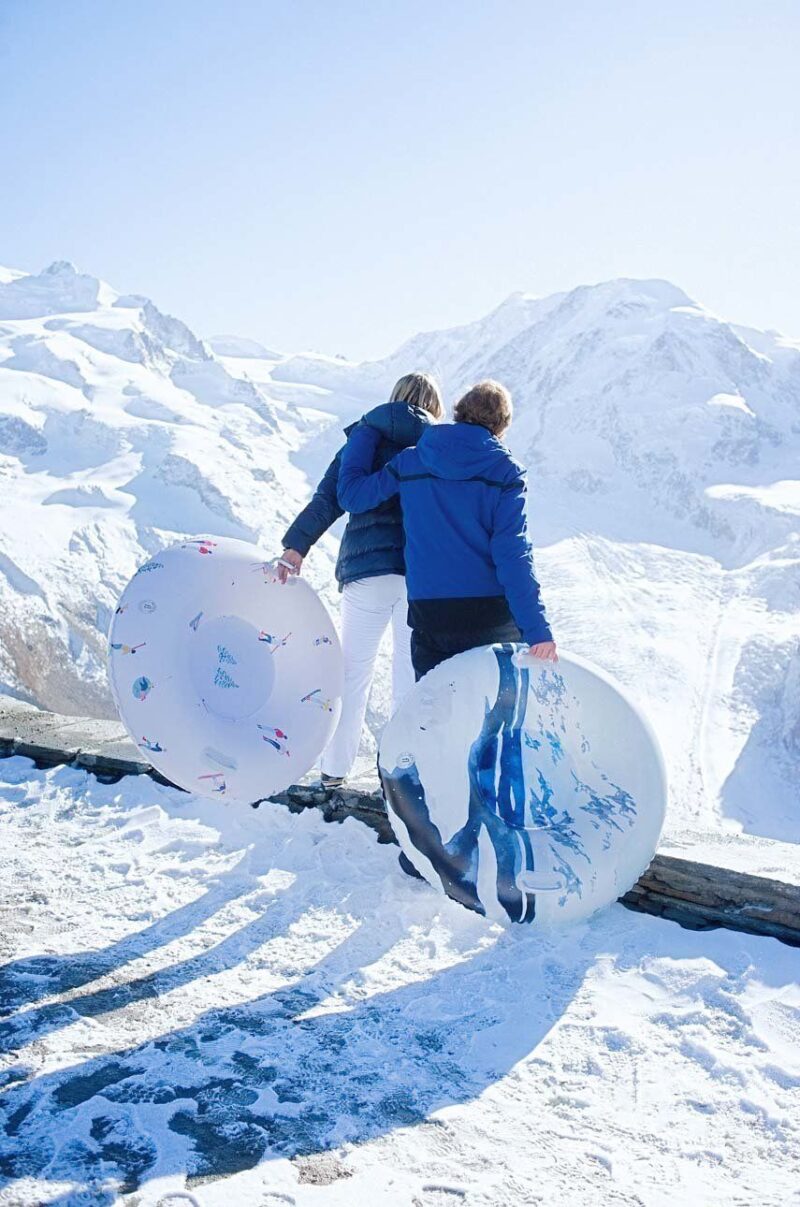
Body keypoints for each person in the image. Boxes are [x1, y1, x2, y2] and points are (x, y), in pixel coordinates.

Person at [279, 372, 444, 787]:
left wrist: (296, 547)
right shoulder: (438, 445)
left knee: (352, 672)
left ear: (395, 398)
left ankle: (334, 772)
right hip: (419, 574)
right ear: (434, 406)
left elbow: (328, 499)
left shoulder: (366, 435)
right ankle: (404, 777)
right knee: (410, 674)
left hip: (366, 572)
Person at [337, 379, 556, 680]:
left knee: (433, 712)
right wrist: (537, 630)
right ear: (502, 426)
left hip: (431, 614)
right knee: (494, 708)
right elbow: (513, 555)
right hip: (490, 613)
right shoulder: (505, 472)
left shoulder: (412, 460)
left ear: (458, 412)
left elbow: (354, 496)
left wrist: (365, 431)